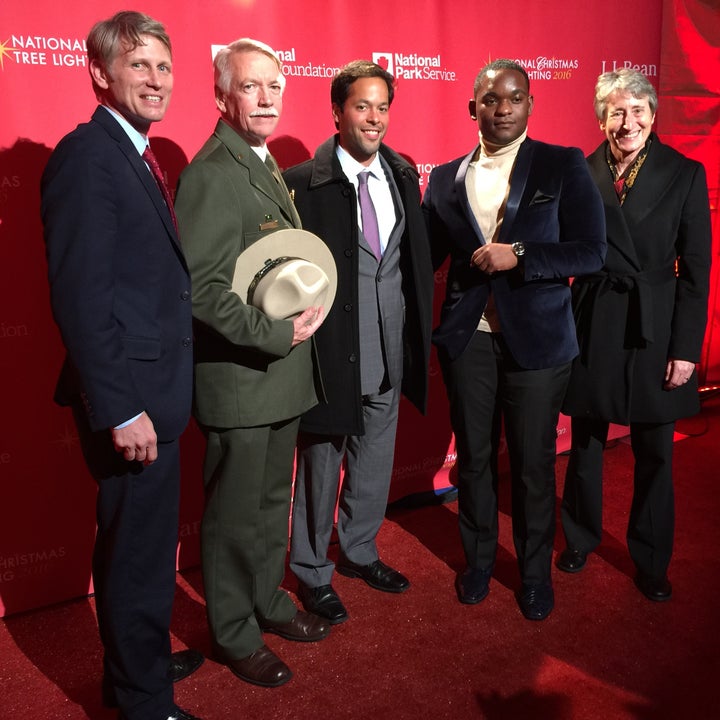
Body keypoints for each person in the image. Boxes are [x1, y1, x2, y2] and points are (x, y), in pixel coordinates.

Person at [41, 11, 202, 720]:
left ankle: (135, 668)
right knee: (136, 561)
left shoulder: (133, 152)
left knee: (142, 551)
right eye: (139, 65)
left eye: (163, 66)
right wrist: (119, 407)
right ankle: (144, 704)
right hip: (132, 401)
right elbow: (81, 298)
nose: (156, 80)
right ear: (101, 74)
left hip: (155, 391)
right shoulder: (87, 157)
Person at [422, 59, 606, 621]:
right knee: (475, 461)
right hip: (470, 338)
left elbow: (591, 251)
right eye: (491, 99)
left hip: (540, 343)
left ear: (530, 104)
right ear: (472, 106)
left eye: (515, 98)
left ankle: (532, 574)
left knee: (531, 465)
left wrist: (520, 255)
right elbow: (427, 256)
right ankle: (478, 562)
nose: (503, 108)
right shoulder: (445, 176)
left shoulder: (561, 164)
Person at [174, 38, 329, 689]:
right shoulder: (212, 172)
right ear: (220, 96)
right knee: (235, 516)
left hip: (280, 380)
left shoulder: (259, 160)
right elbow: (202, 292)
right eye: (250, 86)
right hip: (241, 379)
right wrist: (276, 333)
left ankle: (267, 602)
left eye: (274, 85)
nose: (266, 97)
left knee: (271, 505)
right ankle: (235, 633)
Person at [283, 60, 433, 624]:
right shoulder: (302, 182)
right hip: (331, 352)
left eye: (382, 106)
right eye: (361, 106)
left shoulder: (402, 172)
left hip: (391, 346)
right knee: (321, 468)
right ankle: (312, 572)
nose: (374, 118)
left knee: (375, 459)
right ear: (337, 112)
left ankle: (361, 551)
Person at [557, 69, 712, 601]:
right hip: (594, 316)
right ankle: (578, 535)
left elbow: (696, 273)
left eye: (637, 111)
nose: (628, 123)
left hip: (656, 323)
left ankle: (650, 557)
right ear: (601, 118)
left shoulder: (685, 173)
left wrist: (686, 351)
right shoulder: (579, 170)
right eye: (616, 112)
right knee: (586, 442)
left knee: (656, 452)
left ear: (653, 115)